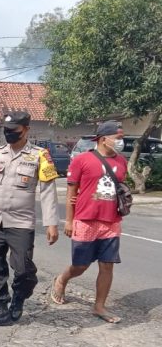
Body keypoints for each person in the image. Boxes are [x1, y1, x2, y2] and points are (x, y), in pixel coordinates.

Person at [0, 111, 60, 328]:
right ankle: (0, 310)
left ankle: (19, 298)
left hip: (22, 223)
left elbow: (47, 192)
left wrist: (51, 223)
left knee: (23, 269)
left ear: (26, 130)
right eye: (6, 131)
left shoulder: (40, 156)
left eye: (14, 131)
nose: (9, 135)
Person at [51, 120, 127, 323]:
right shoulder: (82, 160)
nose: (122, 142)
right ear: (104, 139)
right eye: (118, 138)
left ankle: (99, 306)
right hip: (85, 220)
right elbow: (71, 193)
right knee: (80, 265)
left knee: (107, 265)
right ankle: (62, 279)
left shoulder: (121, 161)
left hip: (111, 222)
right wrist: (69, 220)